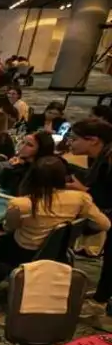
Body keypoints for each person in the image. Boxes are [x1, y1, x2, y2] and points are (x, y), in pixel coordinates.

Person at [0, 156, 110, 267]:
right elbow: (105, 224)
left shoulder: (22, 204)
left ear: (31, 177)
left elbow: (8, 228)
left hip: (22, 252)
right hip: (58, 253)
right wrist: (78, 228)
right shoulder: (80, 198)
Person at [66, 120, 112, 313]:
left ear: (93, 140)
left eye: (74, 139)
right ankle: (101, 296)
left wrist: (83, 190)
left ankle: (101, 305)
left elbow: (107, 196)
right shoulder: (97, 158)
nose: (70, 144)